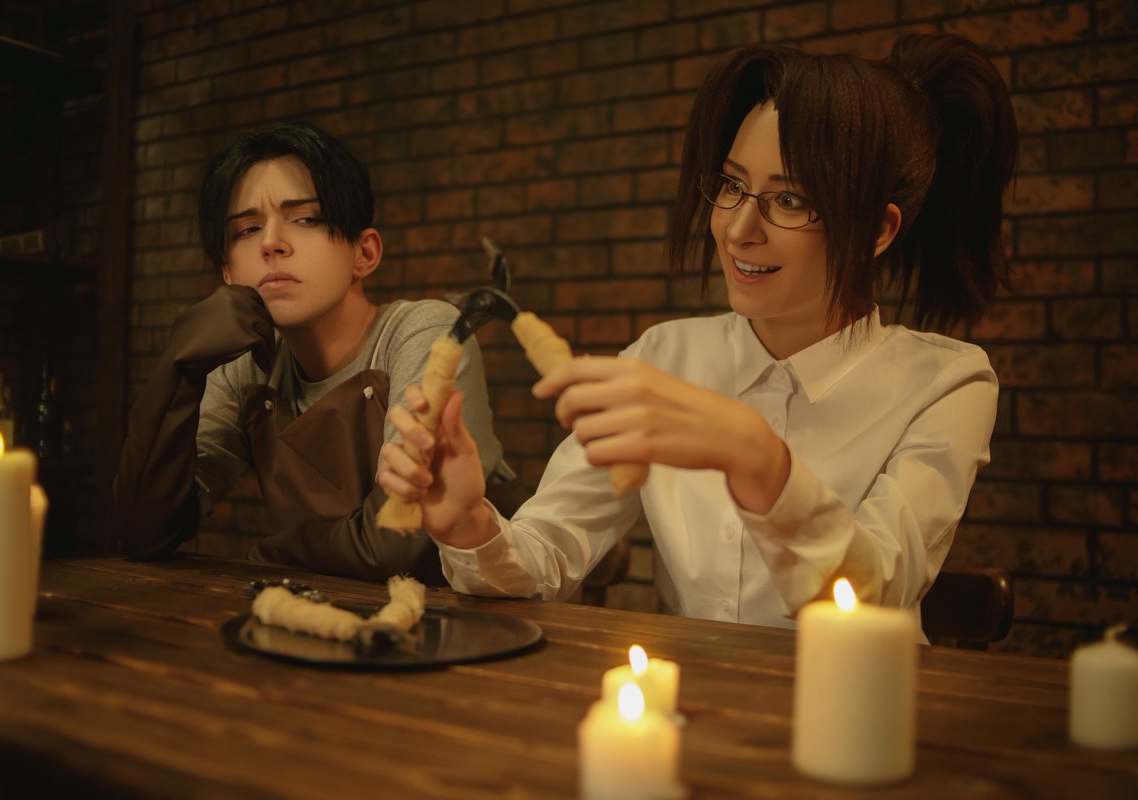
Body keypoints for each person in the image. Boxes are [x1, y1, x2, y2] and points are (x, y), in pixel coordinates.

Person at [377, 33, 1017, 638]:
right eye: (733, 186)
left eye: (790, 200)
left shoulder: (947, 382)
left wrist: (757, 458)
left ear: (878, 230)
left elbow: (877, 592)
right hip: (693, 700)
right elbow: (547, 555)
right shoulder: (665, 357)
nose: (738, 230)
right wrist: (467, 524)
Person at [115, 122, 512, 583]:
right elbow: (144, 530)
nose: (271, 243)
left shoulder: (424, 331)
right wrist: (180, 369)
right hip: (329, 615)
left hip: (477, 607)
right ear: (228, 273)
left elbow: (395, 541)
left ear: (364, 253)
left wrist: (272, 552)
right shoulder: (246, 368)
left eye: (306, 219)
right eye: (247, 229)